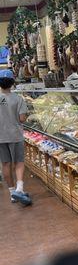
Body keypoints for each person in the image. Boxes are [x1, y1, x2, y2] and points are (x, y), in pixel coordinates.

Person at [0, 69, 31, 206]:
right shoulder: (18, 99)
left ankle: (13, 193)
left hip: (1, 136)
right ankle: (20, 189)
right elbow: (22, 118)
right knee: (18, 162)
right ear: (12, 83)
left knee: (5, 163)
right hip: (16, 135)